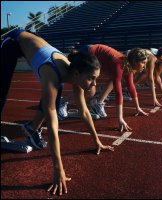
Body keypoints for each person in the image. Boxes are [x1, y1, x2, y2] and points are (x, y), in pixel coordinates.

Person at [1, 29, 114, 195]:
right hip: (14, 42)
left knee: (55, 93)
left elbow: (84, 112)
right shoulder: (52, 76)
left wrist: (97, 141)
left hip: (33, 40)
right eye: (92, 78)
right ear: (77, 74)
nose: (94, 84)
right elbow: (53, 128)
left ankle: (32, 129)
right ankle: (33, 128)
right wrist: (58, 169)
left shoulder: (77, 73)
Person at [72, 44, 149, 132]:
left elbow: (131, 86)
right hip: (87, 52)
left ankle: (98, 103)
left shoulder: (127, 65)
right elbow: (118, 92)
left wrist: (137, 108)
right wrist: (120, 119)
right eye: (143, 63)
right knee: (89, 90)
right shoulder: (119, 64)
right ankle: (65, 102)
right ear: (135, 61)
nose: (145, 66)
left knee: (113, 79)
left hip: (98, 57)